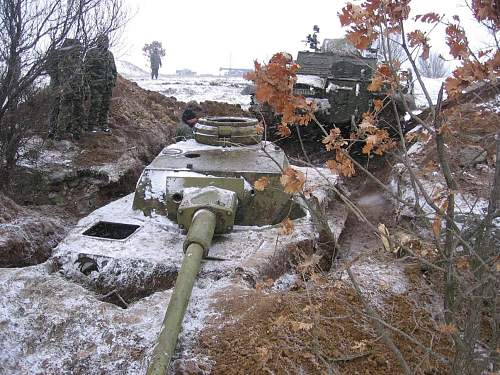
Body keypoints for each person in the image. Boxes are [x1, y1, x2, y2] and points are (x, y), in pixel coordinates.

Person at [47, 39, 84, 140]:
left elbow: (80, 74)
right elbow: (52, 70)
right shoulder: (60, 56)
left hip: (70, 87)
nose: (79, 51)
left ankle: (65, 129)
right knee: (56, 108)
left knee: (66, 109)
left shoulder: (76, 59)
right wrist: (58, 81)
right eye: (77, 48)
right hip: (58, 87)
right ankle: (52, 130)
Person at [84, 34, 117, 132]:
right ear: (98, 41)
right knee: (95, 105)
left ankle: (103, 125)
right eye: (103, 41)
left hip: (108, 85)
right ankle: (91, 126)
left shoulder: (110, 54)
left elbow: (114, 70)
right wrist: (89, 83)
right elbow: (86, 69)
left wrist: (113, 81)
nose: (105, 43)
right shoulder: (91, 53)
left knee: (105, 106)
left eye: (106, 41)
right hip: (96, 85)